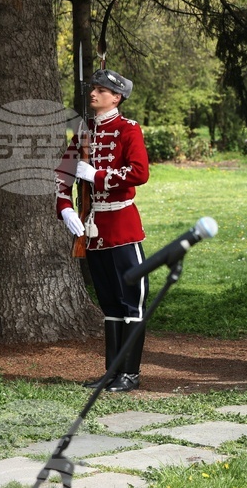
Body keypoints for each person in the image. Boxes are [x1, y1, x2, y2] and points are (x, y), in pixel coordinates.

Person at [55, 68, 150, 393]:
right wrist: (64, 207)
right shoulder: (83, 132)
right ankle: (112, 372)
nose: (92, 94)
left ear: (116, 96)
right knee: (109, 304)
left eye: (100, 89)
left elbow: (139, 172)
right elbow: (62, 174)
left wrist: (96, 176)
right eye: (92, 88)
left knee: (131, 302)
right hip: (93, 232)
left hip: (122, 226)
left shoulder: (128, 130)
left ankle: (131, 374)